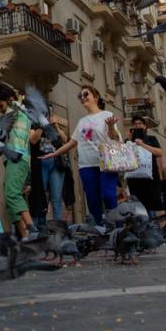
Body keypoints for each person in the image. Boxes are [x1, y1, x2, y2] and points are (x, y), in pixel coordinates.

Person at [42, 84, 116, 226]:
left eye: (86, 94)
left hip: (106, 163)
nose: (82, 98)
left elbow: (115, 139)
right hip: (86, 165)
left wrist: (111, 127)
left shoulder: (107, 116)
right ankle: (100, 230)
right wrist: (54, 154)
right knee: (93, 200)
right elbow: (72, 143)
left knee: (109, 196)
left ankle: (117, 229)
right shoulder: (82, 122)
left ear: (96, 97)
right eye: (80, 96)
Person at [0, 82, 41, 239]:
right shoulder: (22, 111)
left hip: (18, 158)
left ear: (10, 99)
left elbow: (5, 131)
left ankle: (32, 230)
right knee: (10, 198)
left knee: (11, 195)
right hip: (16, 159)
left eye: (0, 105)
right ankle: (25, 236)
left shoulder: (15, 110)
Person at [124, 116, 163, 215]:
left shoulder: (151, 139)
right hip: (134, 179)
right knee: (138, 208)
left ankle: (153, 227)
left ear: (145, 126)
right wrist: (129, 140)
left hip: (151, 178)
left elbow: (159, 153)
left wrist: (142, 144)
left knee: (152, 207)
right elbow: (124, 156)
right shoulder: (128, 141)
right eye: (135, 124)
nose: (137, 126)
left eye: (140, 123)